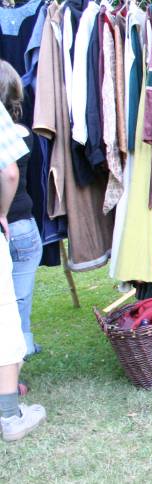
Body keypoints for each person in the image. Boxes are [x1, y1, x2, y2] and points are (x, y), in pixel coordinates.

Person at [0, 100, 46, 442]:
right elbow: (11, 172)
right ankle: (8, 410)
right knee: (9, 316)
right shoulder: (18, 130)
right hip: (19, 225)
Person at [0, 60, 42, 357]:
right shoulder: (23, 134)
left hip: (12, 225)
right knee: (19, 299)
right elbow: (12, 173)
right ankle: (21, 347)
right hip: (22, 226)